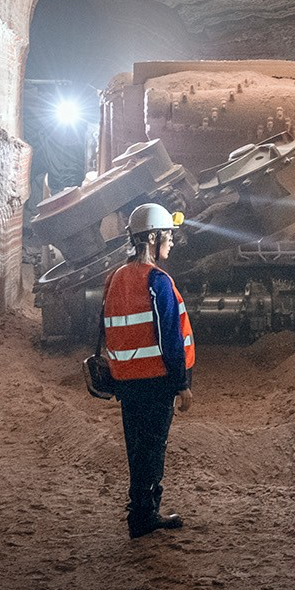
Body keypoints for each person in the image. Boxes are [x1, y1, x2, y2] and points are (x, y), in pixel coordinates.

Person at [101, 202, 195, 538]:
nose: (171, 242)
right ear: (153, 237)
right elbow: (170, 336)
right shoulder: (158, 281)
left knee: (136, 446)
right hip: (156, 381)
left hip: (126, 381)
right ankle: (144, 515)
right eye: (167, 236)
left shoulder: (115, 277)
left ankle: (139, 510)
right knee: (153, 447)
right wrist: (181, 383)